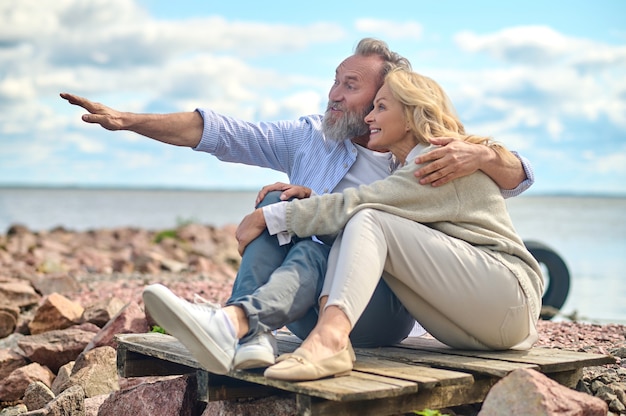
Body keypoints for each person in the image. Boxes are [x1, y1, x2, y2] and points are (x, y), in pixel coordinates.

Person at [62, 38, 535, 375]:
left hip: (382, 307)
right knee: (283, 199)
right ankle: (248, 332)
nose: (335, 95)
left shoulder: (429, 157)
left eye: (353, 87)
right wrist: (127, 120)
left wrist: (490, 153)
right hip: (319, 301)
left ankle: (237, 323)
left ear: (390, 98)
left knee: (330, 227)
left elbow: (514, 180)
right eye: (334, 82)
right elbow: (223, 132)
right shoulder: (313, 138)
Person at [233, 68, 543, 381]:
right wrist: (304, 204)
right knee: (361, 220)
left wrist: (271, 217)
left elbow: (358, 203)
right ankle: (260, 327)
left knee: (367, 216)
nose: (369, 118)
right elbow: (357, 225)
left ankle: (327, 339)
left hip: (510, 297)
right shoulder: (406, 169)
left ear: (410, 116)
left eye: (381, 107)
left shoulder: (437, 160)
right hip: (473, 325)